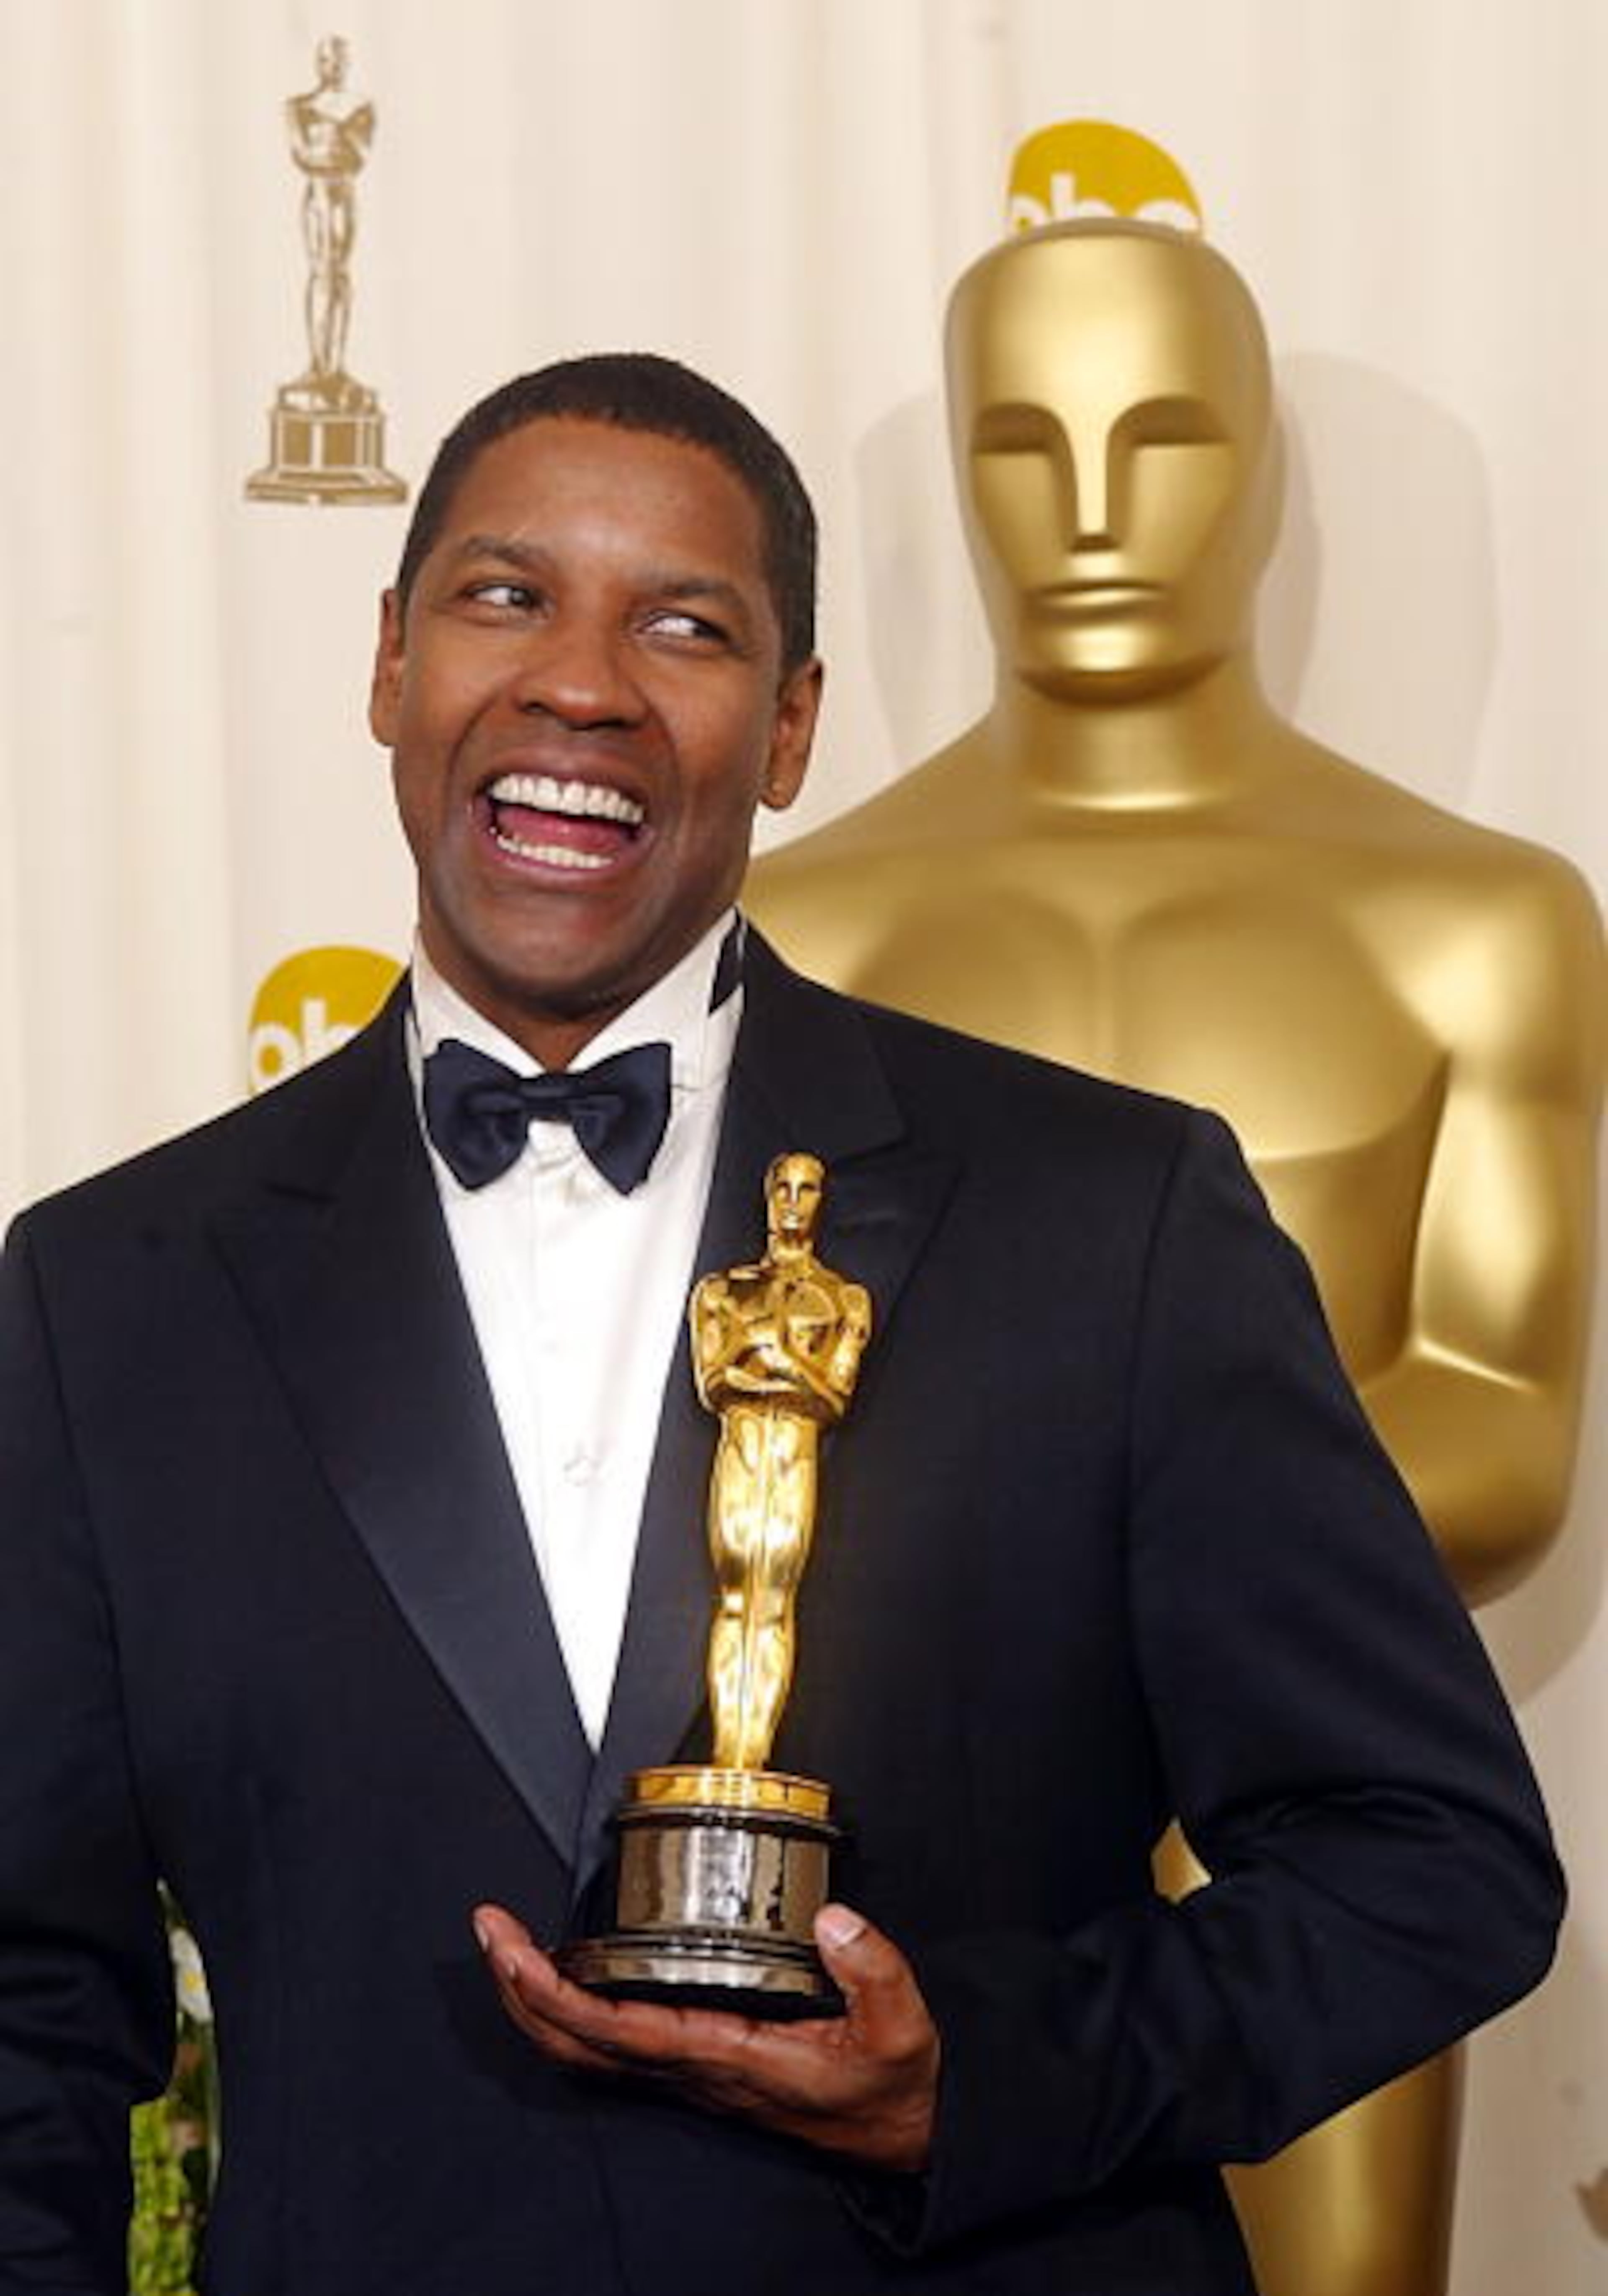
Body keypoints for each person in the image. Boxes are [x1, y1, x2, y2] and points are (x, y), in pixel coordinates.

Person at [0, 352, 1564, 2296]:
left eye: (686, 623)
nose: (579, 680)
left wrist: (981, 2078)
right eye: (505, 595)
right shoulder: (110, 1291)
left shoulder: (1112, 1213)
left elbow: (1429, 1856)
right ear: (389, 662)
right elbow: (25, 2008)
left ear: (795, 722)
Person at [747, 219, 1606, 2296]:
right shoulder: (809, 929)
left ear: (1267, 472)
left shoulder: (1480, 920)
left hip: (1301, 1830)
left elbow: (1501, 1437)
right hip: (897, 1829)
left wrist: (1056, 1538)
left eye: (1168, 436)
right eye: (1026, 446)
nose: (1097, 512)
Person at [692, 1149, 872, 1772]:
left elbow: (832, 1397)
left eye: (808, 1189)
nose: (794, 1201)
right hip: (742, 1444)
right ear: (768, 1196)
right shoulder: (723, 1290)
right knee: (735, 1596)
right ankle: (728, 1758)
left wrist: (770, 1360)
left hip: (793, 1449)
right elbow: (714, 1381)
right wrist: (787, 1372)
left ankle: (750, 1761)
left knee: (775, 1600)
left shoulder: (844, 1299)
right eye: (784, 1188)